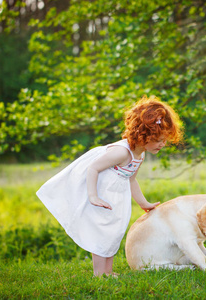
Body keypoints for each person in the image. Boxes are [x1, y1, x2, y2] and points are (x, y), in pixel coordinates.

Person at [36, 95, 183, 276]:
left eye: (165, 139)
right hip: (101, 192)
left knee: (114, 231)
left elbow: (131, 179)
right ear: (144, 134)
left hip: (117, 197)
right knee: (102, 232)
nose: (163, 144)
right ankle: (99, 273)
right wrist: (93, 196)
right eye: (159, 139)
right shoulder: (121, 152)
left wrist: (143, 203)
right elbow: (93, 168)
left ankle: (108, 271)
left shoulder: (141, 154)